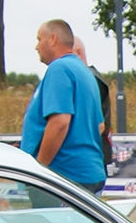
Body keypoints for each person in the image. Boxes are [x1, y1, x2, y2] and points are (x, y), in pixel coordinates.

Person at [20, 19, 107, 191]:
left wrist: (39, 170)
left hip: (63, 176)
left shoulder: (59, 69)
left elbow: (60, 123)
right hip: (89, 173)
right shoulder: (86, 73)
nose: (36, 47)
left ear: (52, 39)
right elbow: (100, 126)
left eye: (39, 39)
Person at [73, 37, 113, 171]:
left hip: (88, 158)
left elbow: (96, 124)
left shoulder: (89, 80)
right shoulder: (91, 78)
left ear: (78, 53)